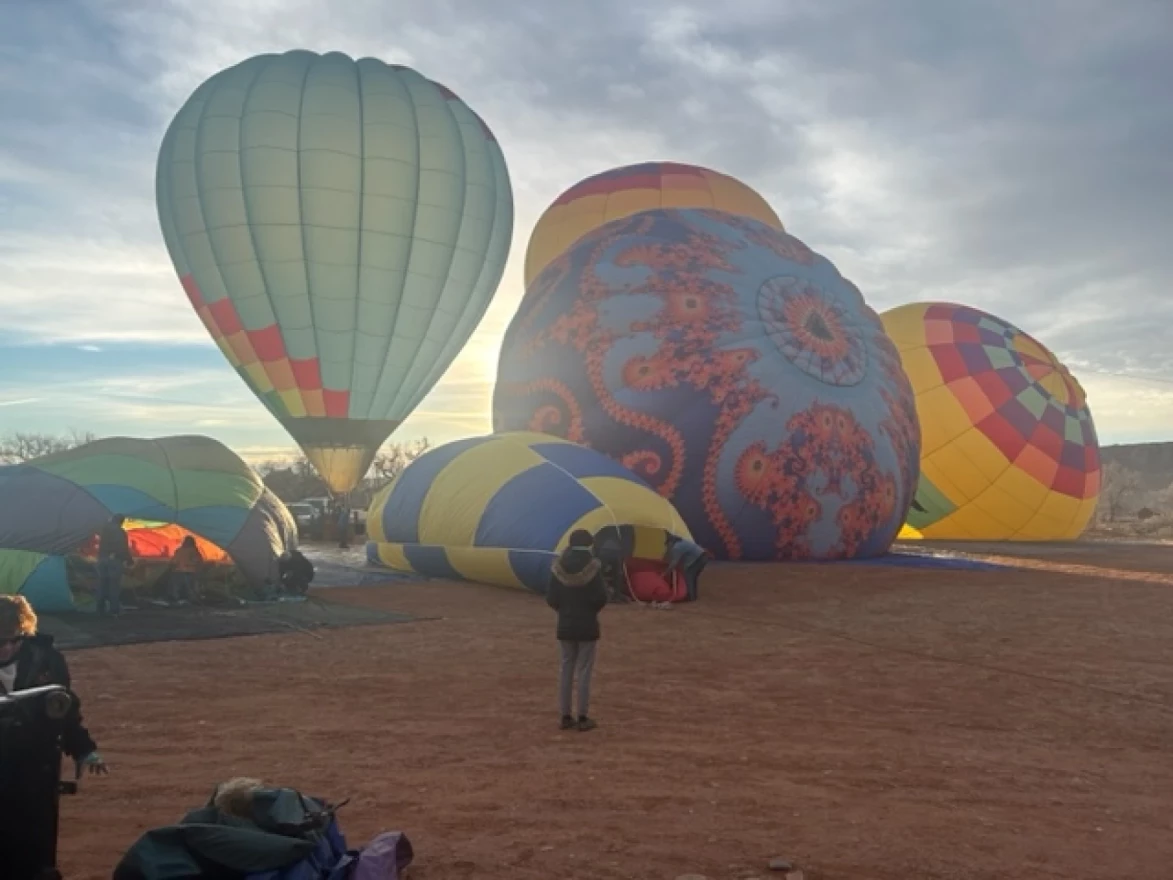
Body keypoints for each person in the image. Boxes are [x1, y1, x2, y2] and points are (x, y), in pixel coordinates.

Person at [0, 595, 107, 776]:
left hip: (36, 763)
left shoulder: (46, 660)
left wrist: (84, 750)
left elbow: (62, 709)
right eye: (0, 641)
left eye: (15, 639)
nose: (7, 648)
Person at [546, 530, 608, 732]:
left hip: (565, 624)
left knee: (565, 670)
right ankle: (582, 716)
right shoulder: (593, 568)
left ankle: (565, 715)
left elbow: (551, 598)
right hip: (587, 624)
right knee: (584, 671)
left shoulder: (558, 568)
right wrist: (589, 611)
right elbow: (601, 597)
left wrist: (564, 611)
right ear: (589, 544)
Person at [96, 514, 133, 616]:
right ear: (121, 522)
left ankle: (100, 609)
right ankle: (114, 610)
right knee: (114, 586)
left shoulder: (103, 530)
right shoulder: (121, 532)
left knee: (102, 584)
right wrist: (129, 560)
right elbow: (123, 548)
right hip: (115, 560)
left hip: (102, 559)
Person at [665, 534, 708, 602]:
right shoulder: (682, 542)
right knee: (693, 577)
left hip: (698, 559)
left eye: (668, 544)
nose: (668, 546)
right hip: (703, 557)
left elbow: (674, 562)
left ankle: (690, 596)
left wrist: (666, 572)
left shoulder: (676, 547)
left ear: (671, 542)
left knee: (688, 576)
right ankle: (693, 596)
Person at [169, 536, 203, 604]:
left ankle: (176, 600)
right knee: (190, 588)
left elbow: (174, 561)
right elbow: (198, 561)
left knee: (177, 587)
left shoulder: (179, 550)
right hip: (189, 571)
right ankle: (192, 601)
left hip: (178, 571)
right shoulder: (194, 551)